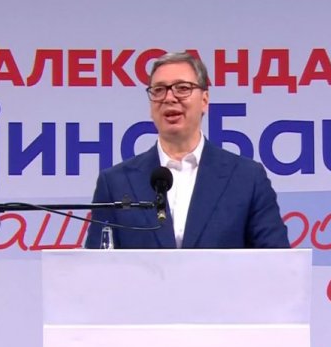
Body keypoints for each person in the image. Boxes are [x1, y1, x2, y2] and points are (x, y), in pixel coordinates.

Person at [85, 52, 289, 249]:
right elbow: (96, 265)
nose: (169, 98)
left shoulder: (247, 178)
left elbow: (277, 260)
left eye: (182, 88)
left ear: (204, 100)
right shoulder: (115, 183)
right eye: (159, 90)